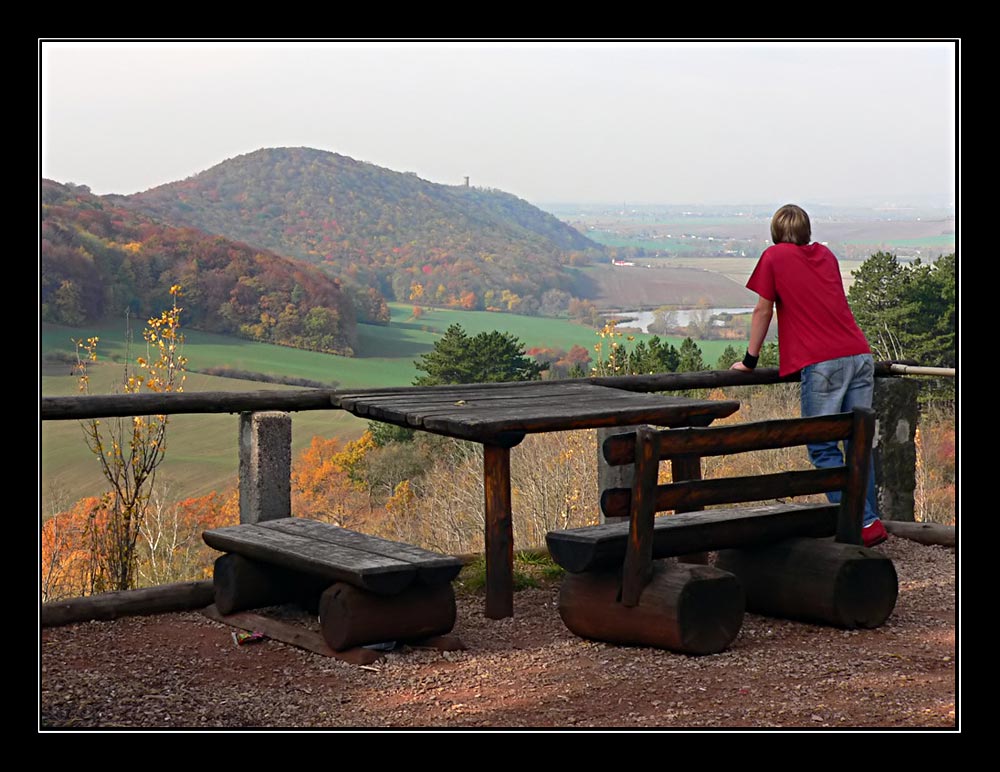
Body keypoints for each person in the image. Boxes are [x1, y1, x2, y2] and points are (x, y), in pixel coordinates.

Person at [730, 203, 887, 548]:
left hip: (823, 362)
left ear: (775, 232)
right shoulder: (826, 256)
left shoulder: (773, 257)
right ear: (807, 230)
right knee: (858, 442)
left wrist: (749, 361)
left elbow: (762, 310)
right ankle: (869, 522)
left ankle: (862, 521)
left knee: (820, 444)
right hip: (859, 355)